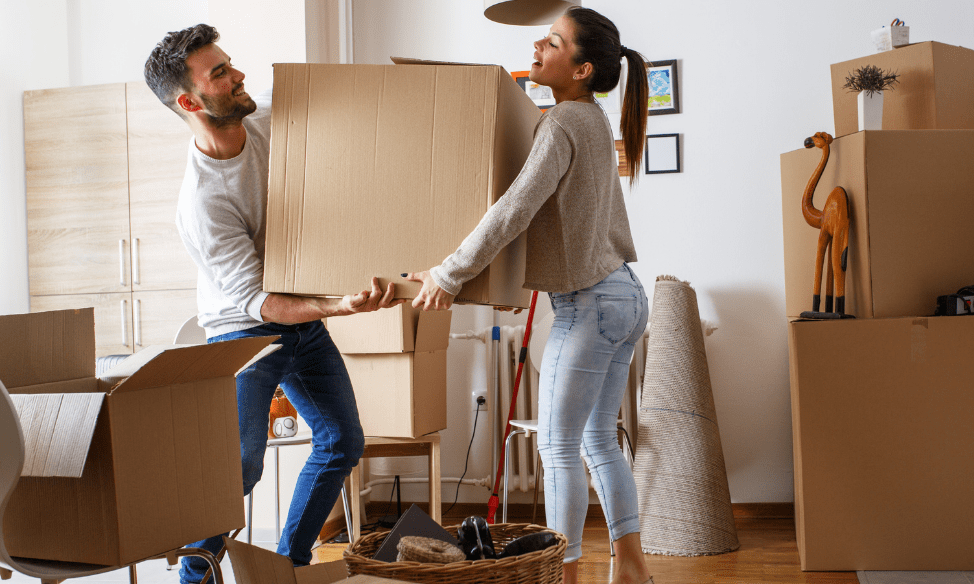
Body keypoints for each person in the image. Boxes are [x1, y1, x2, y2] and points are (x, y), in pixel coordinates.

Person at [144, 24, 401, 584]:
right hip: (244, 334)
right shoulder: (204, 202)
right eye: (220, 73)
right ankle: (195, 578)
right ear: (189, 102)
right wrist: (340, 305)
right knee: (239, 465)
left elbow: (333, 107)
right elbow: (259, 302)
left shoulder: (264, 125)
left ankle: (286, 566)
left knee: (342, 441)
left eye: (230, 64)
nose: (238, 75)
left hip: (300, 326)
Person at [406, 7, 654, 584]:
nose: (538, 48)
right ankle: (633, 568)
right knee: (597, 439)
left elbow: (514, 210)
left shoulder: (564, 122)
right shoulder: (589, 119)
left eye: (553, 42)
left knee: (560, 447)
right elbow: (558, 222)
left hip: (591, 304)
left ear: (582, 67)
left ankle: (564, 577)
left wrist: (449, 273)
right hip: (623, 296)